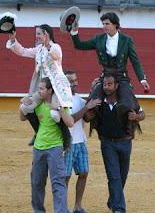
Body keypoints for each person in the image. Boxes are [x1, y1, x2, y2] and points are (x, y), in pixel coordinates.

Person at [70, 12, 150, 135]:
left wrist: (142, 80)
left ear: (115, 25)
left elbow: (135, 61)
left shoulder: (126, 40)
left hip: (121, 77)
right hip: (105, 76)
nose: (104, 26)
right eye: (103, 24)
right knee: (93, 101)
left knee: (128, 102)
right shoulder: (99, 39)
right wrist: (74, 32)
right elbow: (79, 45)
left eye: (107, 23)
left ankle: (130, 125)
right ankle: (98, 124)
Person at [84, 74, 145, 213]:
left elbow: (142, 114)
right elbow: (87, 118)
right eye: (104, 84)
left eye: (109, 84)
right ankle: (119, 208)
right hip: (107, 143)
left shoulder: (127, 101)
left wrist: (136, 117)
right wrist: (90, 107)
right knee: (114, 176)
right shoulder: (99, 102)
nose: (106, 87)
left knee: (122, 176)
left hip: (125, 143)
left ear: (117, 85)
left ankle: (113, 200)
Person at [6, 24, 73, 146]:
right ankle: (38, 132)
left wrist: (48, 46)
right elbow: (22, 51)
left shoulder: (55, 47)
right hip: (43, 87)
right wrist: (12, 40)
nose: (36, 37)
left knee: (54, 114)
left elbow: (56, 57)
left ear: (46, 34)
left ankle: (66, 137)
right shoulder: (39, 49)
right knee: (25, 107)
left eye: (38, 34)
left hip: (56, 88)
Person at [20, 77, 74, 213]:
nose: (38, 91)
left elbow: (70, 122)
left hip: (55, 148)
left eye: (42, 89)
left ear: (50, 91)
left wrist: (60, 109)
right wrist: (23, 105)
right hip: (38, 148)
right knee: (37, 182)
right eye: (38, 88)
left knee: (58, 183)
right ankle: (38, 211)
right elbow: (22, 117)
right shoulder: (37, 104)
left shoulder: (59, 105)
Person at [64, 69, 102, 213]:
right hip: (67, 143)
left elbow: (86, 117)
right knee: (65, 176)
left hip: (80, 142)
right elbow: (71, 120)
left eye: (75, 80)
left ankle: (77, 206)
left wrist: (95, 91)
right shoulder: (62, 100)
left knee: (84, 173)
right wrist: (87, 106)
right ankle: (63, 207)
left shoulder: (79, 99)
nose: (74, 83)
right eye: (71, 81)